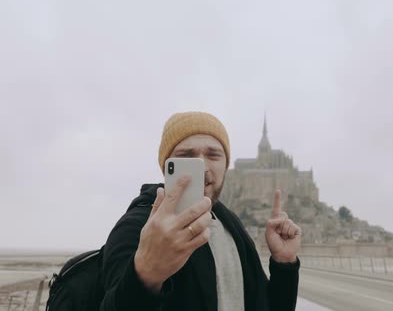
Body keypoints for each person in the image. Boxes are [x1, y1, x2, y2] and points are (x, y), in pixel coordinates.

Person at [99, 112, 301, 311]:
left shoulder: (232, 226)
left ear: (226, 167)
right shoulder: (137, 225)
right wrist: (146, 274)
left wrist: (284, 264)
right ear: (166, 166)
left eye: (213, 155)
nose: (202, 166)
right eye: (187, 156)